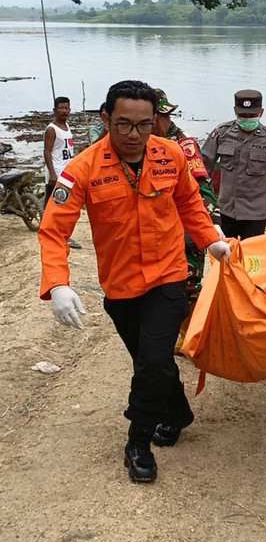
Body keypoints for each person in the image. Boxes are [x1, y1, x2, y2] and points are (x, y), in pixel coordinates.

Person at [38, 80, 230, 484]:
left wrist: (211, 241)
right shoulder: (82, 169)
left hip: (168, 276)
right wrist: (58, 283)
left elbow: (190, 203)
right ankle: (178, 412)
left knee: (154, 359)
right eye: (123, 124)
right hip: (121, 285)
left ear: (155, 121)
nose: (134, 135)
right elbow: (54, 230)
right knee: (149, 360)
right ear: (106, 118)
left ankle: (137, 442)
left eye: (145, 125)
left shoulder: (171, 154)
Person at [153, 88, 217, 350]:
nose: (163, 121)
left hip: (185, 227)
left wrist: (198, 227)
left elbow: (203, 190)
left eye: (163, 117)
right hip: (158, 229)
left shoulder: (183, 145)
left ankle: (190, 335)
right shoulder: (143, 145)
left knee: (188, 284)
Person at [201, 89, 266, 240]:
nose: (247, 119)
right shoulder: (222, 133)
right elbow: (202, 166)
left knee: (252, 257)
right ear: (235, 111)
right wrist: (202, 198)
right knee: (226, 254)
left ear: (261, 112)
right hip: (227, 210)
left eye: (251, 115)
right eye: (242, 115)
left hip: (255, 214)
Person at [43, 96, 74, 206]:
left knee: (65, 202)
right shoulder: (52, 129)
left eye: (66, 108)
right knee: (52, 203)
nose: (64, 111)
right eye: (61, 108)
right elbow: (47, 151)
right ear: (55, 110)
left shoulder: (67, 126)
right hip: (56, 171)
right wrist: (52, 174)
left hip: (68, 170)